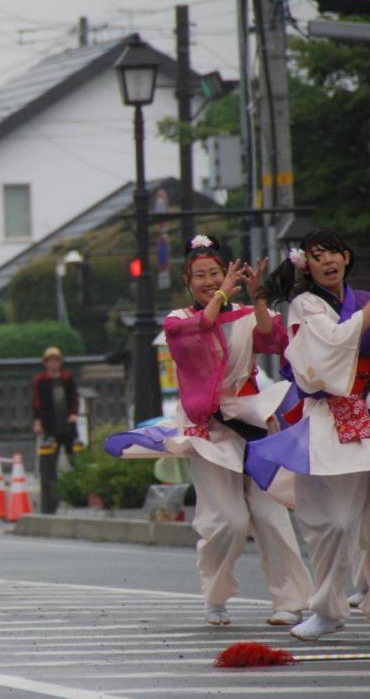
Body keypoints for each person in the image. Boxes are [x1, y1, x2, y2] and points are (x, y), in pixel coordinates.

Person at [105, 235, 313, 628]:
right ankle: (216, 596)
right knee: (228, 521)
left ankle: (290, 600)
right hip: (209, 430)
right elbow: (200, 331)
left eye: (214, 273)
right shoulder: (178, 321)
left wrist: (261, 300)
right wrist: (221, 294)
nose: (207, 280)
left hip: (254, 423)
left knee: (271, 517)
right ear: (187, 281)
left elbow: (273, 342)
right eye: (199, 275)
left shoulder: (245, 313)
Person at [245, 229, 370, 640]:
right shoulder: (305, 304)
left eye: (334, 251)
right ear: (307, 266)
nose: (329, 260)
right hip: (328, 418)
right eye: (318, 256)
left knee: (360, 522)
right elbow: (330, 345)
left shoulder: (362, 300)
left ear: (347, 257)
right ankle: (329, 607)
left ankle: (343, 600)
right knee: (329, 522)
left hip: (365, 410)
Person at [31, 347, 80, 463]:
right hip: (49, 420)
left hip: (67, 419)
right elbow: (37, 402)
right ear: (45, 363)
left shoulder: (67, 378)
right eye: (50, 361)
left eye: (56, 360)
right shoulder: (40, 380)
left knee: (72, 450)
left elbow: (74, 397)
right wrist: (37, 422)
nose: (53, 364)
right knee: (51, 452)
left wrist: (73, 413)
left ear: (61, 362)